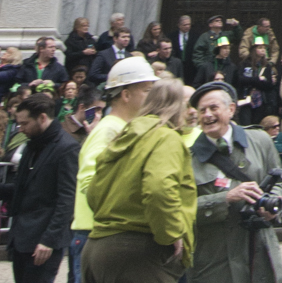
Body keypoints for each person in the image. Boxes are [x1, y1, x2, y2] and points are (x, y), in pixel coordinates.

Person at [82, 76, 196, 283]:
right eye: (187, 105)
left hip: (96, 250)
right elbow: (158, 189)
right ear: (177, 106)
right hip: (139, 255)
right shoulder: (166, 137)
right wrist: (172, 233)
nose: (190, 112)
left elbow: (93, 193)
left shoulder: (123, 135)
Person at [186, 80, 282, 283]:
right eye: (202, 110)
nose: (207, 115)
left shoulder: (260, 140)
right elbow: (182, 209)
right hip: (215, 260)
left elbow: (281, 180)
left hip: (260, 251)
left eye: (213, 108)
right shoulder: (188, 159)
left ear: (231, 109)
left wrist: (274, 204)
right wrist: (226, 198)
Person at [71, 59, 156, 283]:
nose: (151, 97)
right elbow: (90, 182)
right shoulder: (107, 130)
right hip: (94, 232)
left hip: (105, 231)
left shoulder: (122, 128)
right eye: (146, 90)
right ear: (126, 95)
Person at [9, 88, 81, 283]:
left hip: (43, 241)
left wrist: (49, 240)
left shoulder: (67, 148)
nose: (20, 128)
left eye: (25, 123)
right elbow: (20, 188)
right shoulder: (33, 143)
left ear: (42, 118)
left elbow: (67, 199)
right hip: (21, 237)